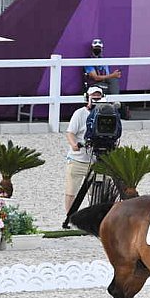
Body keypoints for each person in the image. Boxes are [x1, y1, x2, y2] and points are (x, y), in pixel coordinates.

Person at [64, 86, 103, 214]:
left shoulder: (106, 113)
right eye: (94, 97)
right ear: (87, 98)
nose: (96, 99)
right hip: (78, 159)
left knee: (97, 192)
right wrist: (74, 144)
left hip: (97, 161)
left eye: (99, 97)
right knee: (71, 191)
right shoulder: (79, 113)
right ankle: (69, 216)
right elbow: (70, 132)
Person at [84, 38, 131, 119]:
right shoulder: (89, 61)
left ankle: (116, 102)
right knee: (112, 83)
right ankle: (116, 102)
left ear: (102, 49)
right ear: (92, 49)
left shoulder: (103, 61)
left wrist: (113, 75)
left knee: (113, 81)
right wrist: (113, 75)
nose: (97, 50)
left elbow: (107, 77)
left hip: (104, 84)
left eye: (99, 48)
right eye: (96, 48)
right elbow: (95, 77)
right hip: (94, 85)